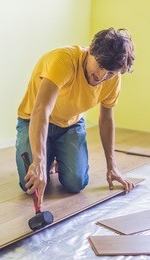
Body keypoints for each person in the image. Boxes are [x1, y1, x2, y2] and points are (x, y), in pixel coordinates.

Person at [15, 28, 136, 207]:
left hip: (70, 125)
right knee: (30, 184)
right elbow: (41, 110)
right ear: (90, 51)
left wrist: (112, 166)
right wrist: (39, 161)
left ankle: (54, 155)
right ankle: (48, 157)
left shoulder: (113, 78)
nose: (102, 77)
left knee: (76, 183)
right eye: (100, 67)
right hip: (34, 119)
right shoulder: (63, 61)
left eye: (110, 72)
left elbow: (106, 120)